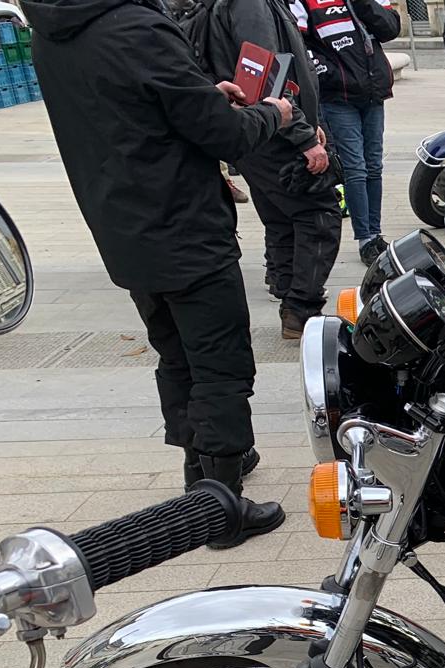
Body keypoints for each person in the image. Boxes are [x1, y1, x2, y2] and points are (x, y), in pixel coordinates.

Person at [25, 0, 292, 547]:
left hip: (123, 227)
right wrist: (274, 113)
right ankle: (220, 508)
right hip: (185, 227)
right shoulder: (139, 27)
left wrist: (203, 96)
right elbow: (226, 136)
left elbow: (129, 108)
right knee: (219, 366)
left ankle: (204, 470)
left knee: (177, 357)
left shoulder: (53, 29)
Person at [203, 0, 344, 338]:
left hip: (264, 128)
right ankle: (300, 308)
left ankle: (290, 301)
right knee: (319, 214)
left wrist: (308, 122)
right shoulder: (250, 4)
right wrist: (301, 134)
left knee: (283, 217)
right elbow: (264, 74)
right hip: (270, 130)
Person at [297, 0, 400, 263]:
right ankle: (365, 239)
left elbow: (390, 29)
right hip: (338, 97)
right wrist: (329, 73)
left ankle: (375, 233)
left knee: (374, 166)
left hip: (373, 92)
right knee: (356, 168)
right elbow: (298, 43)